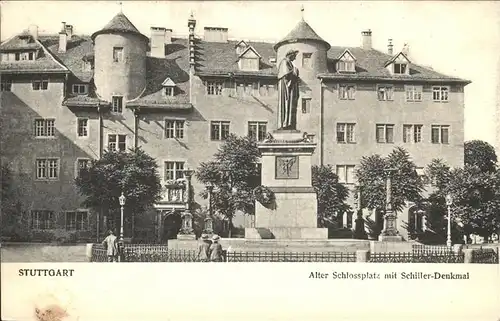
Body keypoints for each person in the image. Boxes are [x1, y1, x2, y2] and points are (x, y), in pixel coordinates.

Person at [277, 49, 300, 130]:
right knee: (286, 104)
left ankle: (289, 123)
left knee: (290, 105)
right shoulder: (284, 62)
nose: (295, 58)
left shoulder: (289, 63)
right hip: (286, 87)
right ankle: (285, 123)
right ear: (290, 55)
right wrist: (295, 71)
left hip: (290, 87)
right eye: (294, 56)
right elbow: (286, 74)